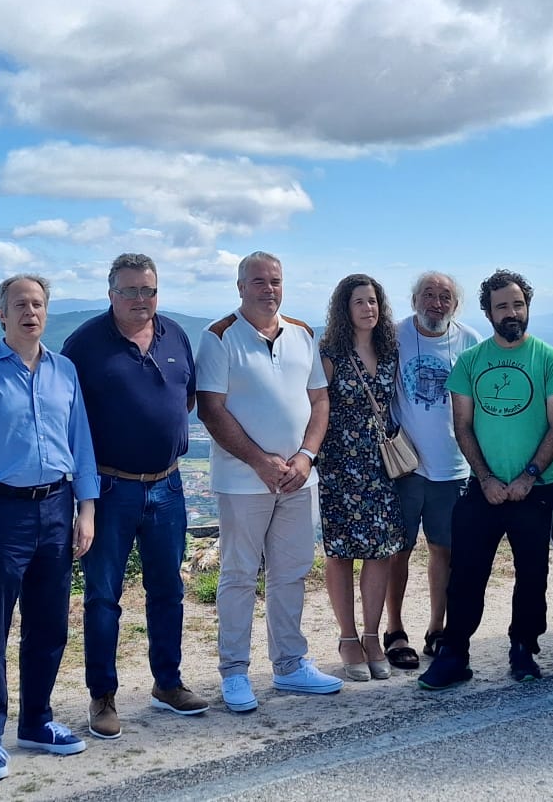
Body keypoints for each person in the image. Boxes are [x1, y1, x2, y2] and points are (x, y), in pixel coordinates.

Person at [0, 275, 99, 782]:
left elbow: (82, 445)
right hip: (0, 513)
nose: (30, 312)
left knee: (49, 624)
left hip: (57, 507)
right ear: (1, 314)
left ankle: (37, 721)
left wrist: (87, 510)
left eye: (37, 304)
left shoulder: (66, 372)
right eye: (20, 305)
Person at [61, 254, 211, 739]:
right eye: (130, 291)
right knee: (103, 597)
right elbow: (69, 418)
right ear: (111, 294)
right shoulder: (84, 345)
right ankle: (102, 696)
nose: (141, 300)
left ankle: (167, 683)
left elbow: (184, 398)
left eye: (148, 290)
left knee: (168, 589)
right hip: (109, 488)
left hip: (168, 484)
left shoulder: (174, 334)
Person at [194, 251, 343, 713]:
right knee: (238, 576)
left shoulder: (302, 334)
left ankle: (290, 664)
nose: (267, 288)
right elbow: (211, 409)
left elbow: (319, 401)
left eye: (275, 280)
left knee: (292, 573)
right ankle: (235, 672)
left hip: (299, 480)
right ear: (240, 287)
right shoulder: (219, 337)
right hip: (243, 481)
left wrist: (306, 456)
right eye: (257, 281)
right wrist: (260, 462)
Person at [418, 270, 553, 691]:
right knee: (466, 572)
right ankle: (455, 654)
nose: (512, 313)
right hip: (482, 488)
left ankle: (524, 647)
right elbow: (463, 426)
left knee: (532, 573)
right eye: (502, 306)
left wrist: (528, 476)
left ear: (527, 307)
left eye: (518, 304)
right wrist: (485, 478)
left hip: (537, 487)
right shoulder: (470, 363)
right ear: (488, 312)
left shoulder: (549, 360)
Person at [382, 272, 482, 669]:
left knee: (445, 550)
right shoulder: (393, 335)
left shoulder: (469, 341)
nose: (436, 303)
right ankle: (395, 630)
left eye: (445, 297)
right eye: (428, 295)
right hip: (405, 466)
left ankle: (436, 629)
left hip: (453, 466)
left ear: (455, 306)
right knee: (398, 550)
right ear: (413, 300)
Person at [316, 274, 410, 681]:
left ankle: (373, 636)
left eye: (373, 301)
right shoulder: (330, 354)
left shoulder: (390, 351)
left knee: (382, 551)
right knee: (341, 553)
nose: (368, 308)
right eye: (359, 302)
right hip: (339, 464)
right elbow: (315, 407)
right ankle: (348, 638)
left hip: (380, 465)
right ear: (344, 308)